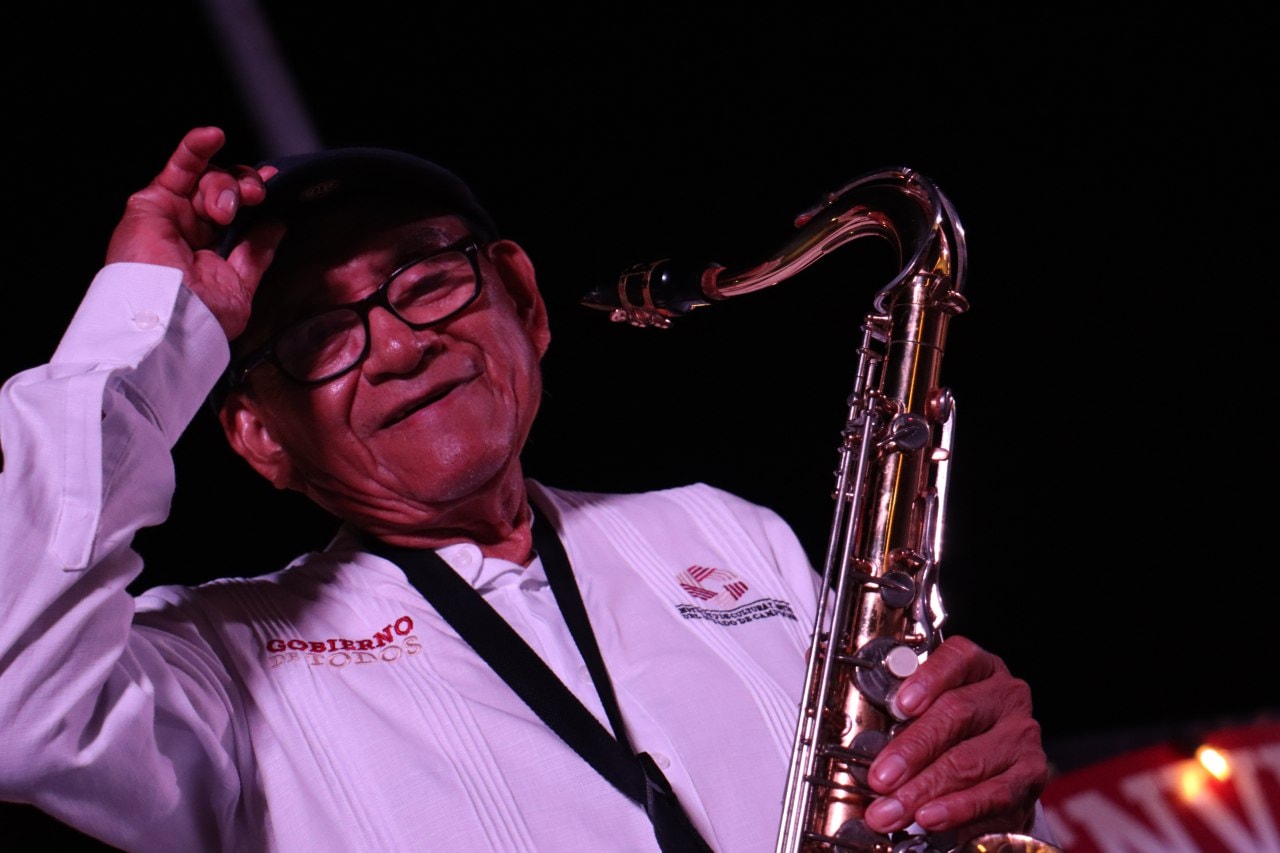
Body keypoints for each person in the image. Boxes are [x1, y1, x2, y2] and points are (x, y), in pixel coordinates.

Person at [0, 125, 1054, 852]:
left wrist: (967, 773)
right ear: (256, 437)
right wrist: (142, 325)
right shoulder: (214, 663)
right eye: (320, 333)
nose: (403, 344)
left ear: (522, 304)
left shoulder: (723, 529)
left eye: (425, 279)